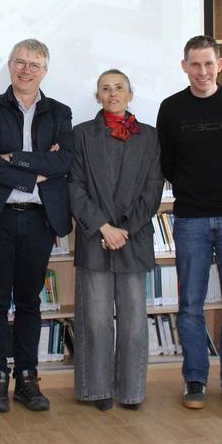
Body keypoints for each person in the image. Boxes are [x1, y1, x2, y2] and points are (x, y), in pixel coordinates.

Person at [0, 39, 73, 413]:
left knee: (30, 302)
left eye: (35, 65)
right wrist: (36, 171)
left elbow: (65, 164)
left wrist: (16, 159)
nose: (27, 70)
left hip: (39, 220)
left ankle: (27, 378)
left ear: (45, 71)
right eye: (21, 63)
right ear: (10, 65)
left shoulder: (60, 112)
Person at [156, 35, 222, 411]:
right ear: (184, 66)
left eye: (208, 64)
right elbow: (166, 162)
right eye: (194, 64)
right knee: (190, 306)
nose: (202, 71)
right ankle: (195, 379)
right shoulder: (170, 109)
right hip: (190, 218)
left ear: (220, 65)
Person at [68, 69, 163, 410]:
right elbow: (74, 187)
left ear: (130, 93)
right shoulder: (80, 135)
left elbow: (152, 191)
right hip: (95, 238)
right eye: (105, 89)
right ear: (97, 96)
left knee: (134, 321)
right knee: (94, 320)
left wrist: (125, 230)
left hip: (133, 239)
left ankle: (132, 391)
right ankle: (97, 390)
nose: (112, 94)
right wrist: (103, 227)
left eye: (118, 87)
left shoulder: (151, 137)